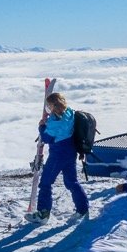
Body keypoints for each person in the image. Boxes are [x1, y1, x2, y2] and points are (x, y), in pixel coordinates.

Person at [29, 91, 90, 222]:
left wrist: (41, 127)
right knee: (71, 182)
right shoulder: (70, 113)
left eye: (49, 107)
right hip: (71, 151)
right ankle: (83, 208)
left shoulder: (54, 123)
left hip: (58, 154)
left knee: (45, 183)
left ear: (52, 106)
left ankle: (43, 214)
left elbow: (47, 138)